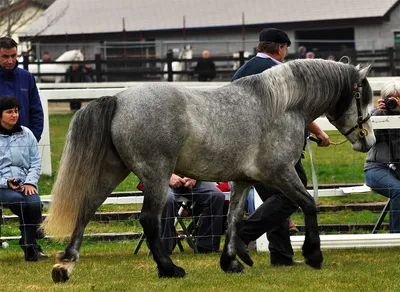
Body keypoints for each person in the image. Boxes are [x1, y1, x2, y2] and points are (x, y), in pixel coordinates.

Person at [232, 28, 330, 266]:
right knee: (290, 195)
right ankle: (241, 236)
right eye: (285, 49)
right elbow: (295, 110)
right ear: (279, 48)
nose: (285, 54)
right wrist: (318, 131)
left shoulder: (242, 71)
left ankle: (281, 256)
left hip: (246, 148)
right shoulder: (278, 72)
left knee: (276, 201)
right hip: (273, 148)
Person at [0, 95, 47, 261]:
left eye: (16, 111)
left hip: (25, 183)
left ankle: (27, 244)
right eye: (9, 112)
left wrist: (29, 182)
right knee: (20, 202)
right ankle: (31, 244)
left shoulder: (27, 134)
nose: (14, 115)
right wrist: (6, 182)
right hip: (3, 186)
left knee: (34, 203)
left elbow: (36, 161)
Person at [365, 80, 400, 233]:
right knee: (398, 190)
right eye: (390, 98)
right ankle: (395, 236)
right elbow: (371, 140)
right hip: (377, 169)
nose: (393, 102)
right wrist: (378, 116)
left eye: (397, 98)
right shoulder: (374, 116)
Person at [161, 174, 225, 254]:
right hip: (161, 178)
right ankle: (162, 248)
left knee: (217, 196)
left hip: (190, 178)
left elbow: (202, 162)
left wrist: (195, 177)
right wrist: (167, 176)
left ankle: (207, 247)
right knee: (167, 199)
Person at [0, 37, 44, 142]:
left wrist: (33, 138)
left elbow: (36, 111)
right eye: (5, 56)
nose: (10, 61)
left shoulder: (27, 77)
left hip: (24, 142)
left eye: (13, 56)